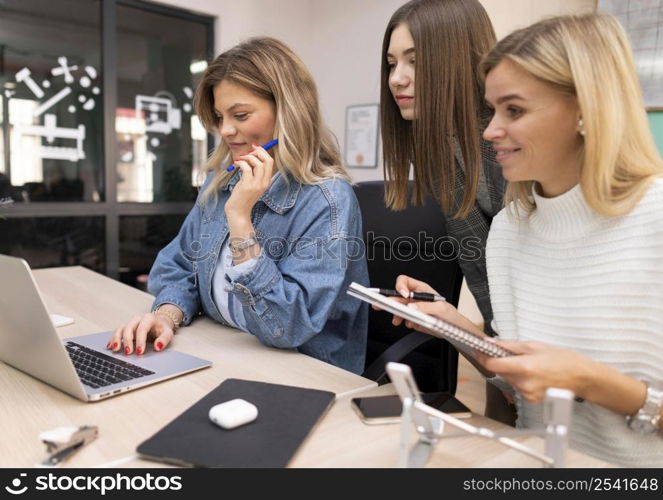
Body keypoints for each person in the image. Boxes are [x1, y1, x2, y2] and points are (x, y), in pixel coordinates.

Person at [393, 14, 663, 466]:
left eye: (513, 110)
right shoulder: (511, 228)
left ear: (584, 109)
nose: (489, 130)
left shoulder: (653, 220)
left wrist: (589, 381)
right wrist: (450, 324)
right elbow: (518, 381)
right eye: (493, 109)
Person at [107, 37, 369, 374]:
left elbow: (289, 326)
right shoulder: (222, 183)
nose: (226, 130)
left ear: (287, 111)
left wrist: (240, 220)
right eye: (219, 116)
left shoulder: (328, 199)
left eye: (241, 114)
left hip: (304, 372)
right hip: (225, 353)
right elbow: (178, 265)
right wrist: (166, 315)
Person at [380, 0, 509, 419]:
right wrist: (450, 319)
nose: (396, 79)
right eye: (391, 63)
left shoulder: (511, 156)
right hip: (508, 359)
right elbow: (492, 293)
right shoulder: (440, 156)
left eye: (414, 62)